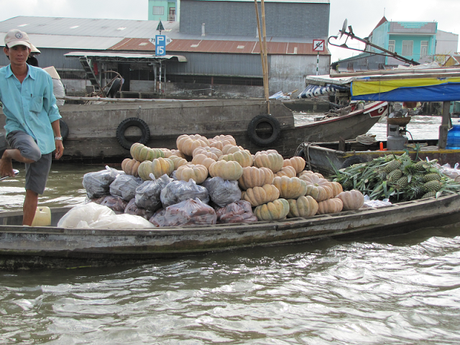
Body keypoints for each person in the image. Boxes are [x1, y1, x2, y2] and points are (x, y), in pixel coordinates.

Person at [0, 29, 64, 225]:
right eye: (15, 49)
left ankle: (26, 229)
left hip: (43, 135)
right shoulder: (1, 77)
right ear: (6, 51)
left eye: (24, 49)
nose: (20, 53)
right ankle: (6, 155)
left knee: (33, 190)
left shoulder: (42, 77)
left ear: (29, 51)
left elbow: (51, 108)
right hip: (17, 130)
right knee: (31, 153)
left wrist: (58, 137)